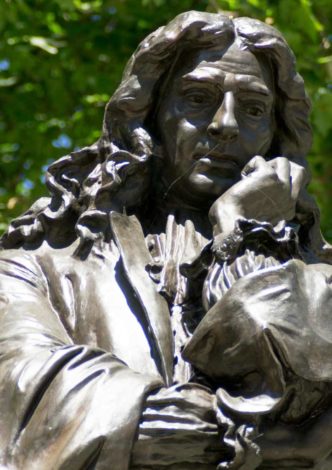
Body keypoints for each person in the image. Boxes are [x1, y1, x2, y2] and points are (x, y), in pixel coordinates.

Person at [1, 10, 332, 469]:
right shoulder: (43, 262)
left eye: (255, 109)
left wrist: (244, 234)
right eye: (198, 98)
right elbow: (13, 372)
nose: (226, 124)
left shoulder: (318, 282)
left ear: (277, 134)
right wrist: (130, 414)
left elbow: (306, 399)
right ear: (149, 115)